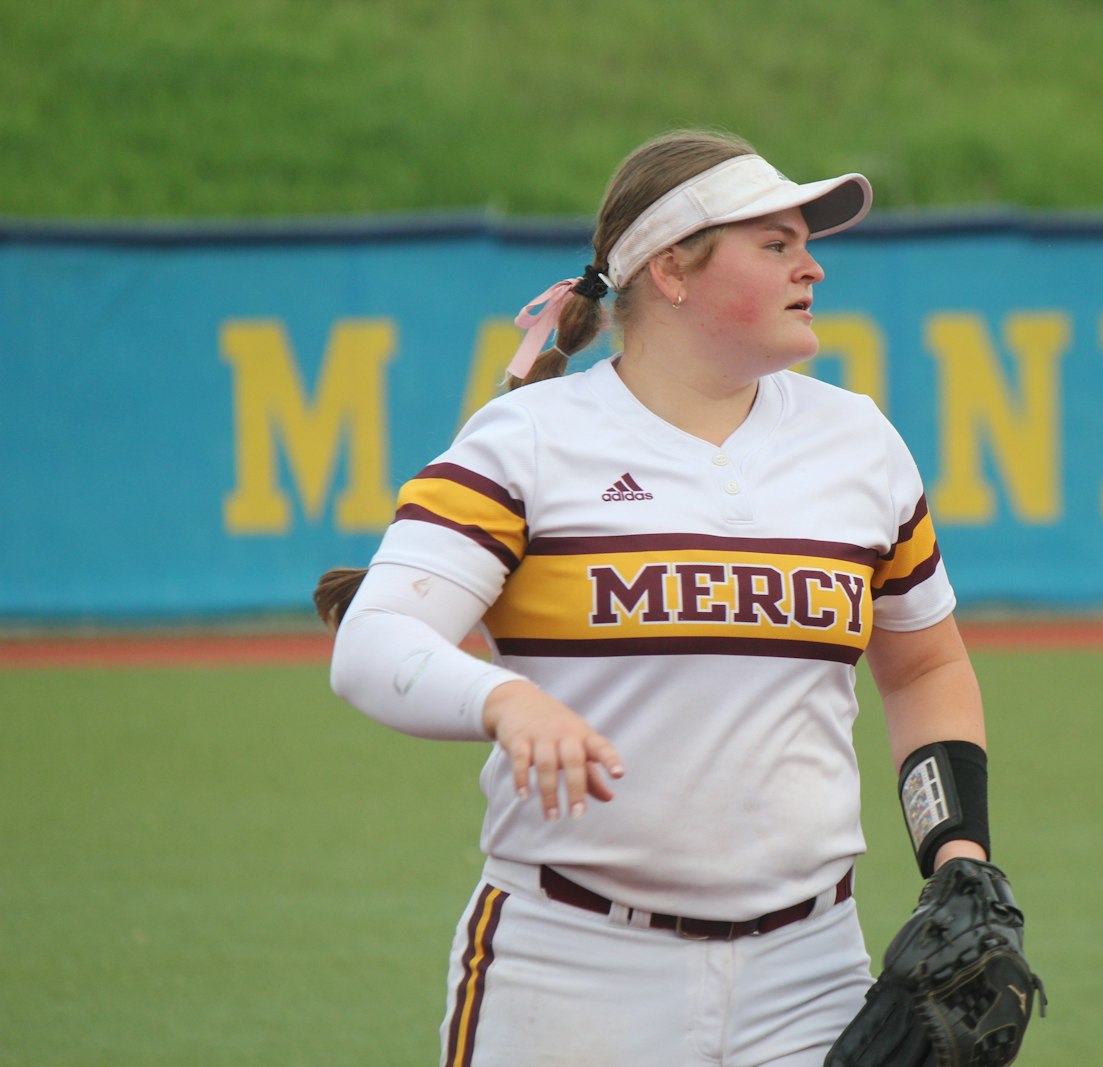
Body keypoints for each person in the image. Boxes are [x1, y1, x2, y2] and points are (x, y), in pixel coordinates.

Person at [315, 129, 996, 1067]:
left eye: (808, 243)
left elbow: (924, 664)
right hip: (569, 968)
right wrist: (503, 699)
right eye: (777, 244)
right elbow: (372, 641)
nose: (814, 268)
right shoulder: (527, 441)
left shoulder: (858, 441)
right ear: (672, 270)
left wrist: (957, 849)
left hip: (811, 970)